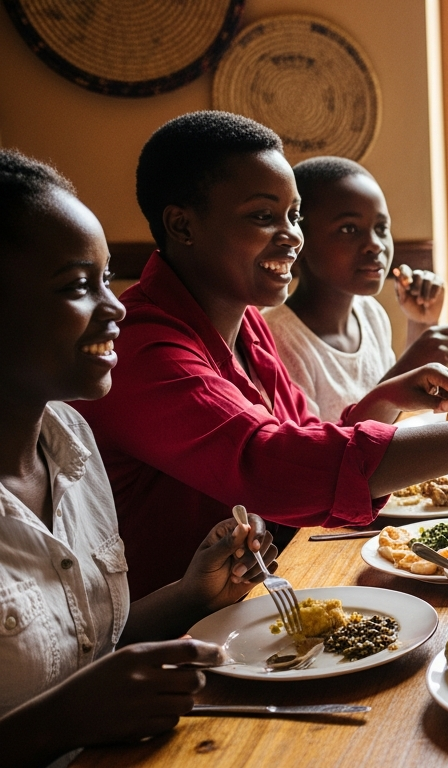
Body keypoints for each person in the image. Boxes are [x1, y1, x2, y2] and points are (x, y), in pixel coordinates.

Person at [73, 112, 448, 599]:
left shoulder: (244, 321)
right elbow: (266, 464)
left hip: (257, 597)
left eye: (294, 215)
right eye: (263, 217)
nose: (291, 238)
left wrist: (385, 397)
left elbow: (304, 435)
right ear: (182, 226)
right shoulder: (138, 344)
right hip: (165, 631)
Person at [0, 148, 279, 768]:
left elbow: (83, 654)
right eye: (79, 286)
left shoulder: (67, 440)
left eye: (107, 278)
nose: (116, 306)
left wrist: (189, 595)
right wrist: (57, 725)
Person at [263, 155, 448, 421]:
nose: (376, 244)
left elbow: (393, 419)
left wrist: (421, 323)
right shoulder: (278, 340)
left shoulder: (370, 314)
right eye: (349, 229)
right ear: (299, 241)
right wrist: (411, 367)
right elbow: (325, 455)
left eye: (381, 228)